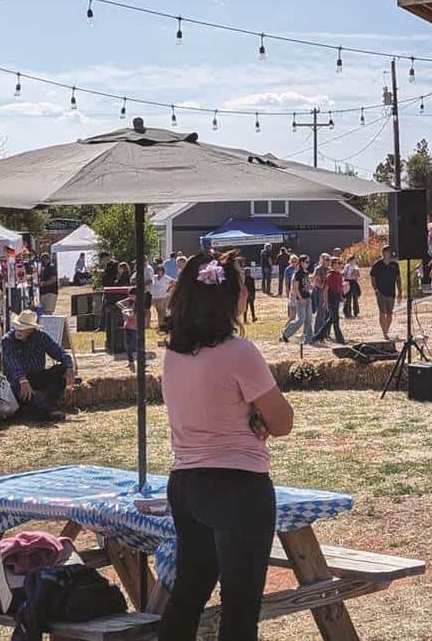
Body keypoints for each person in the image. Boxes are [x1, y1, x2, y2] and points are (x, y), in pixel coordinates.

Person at [158, 251, 294, 641]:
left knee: (186, 596)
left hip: (186, 481)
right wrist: (257, 416)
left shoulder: (173, 353)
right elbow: (282, 422)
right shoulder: (240, 353)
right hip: (238, 486)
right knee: (239, 608)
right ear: (231, 296)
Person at [0, 310, 74, 422]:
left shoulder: (40, 336)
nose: (19, 330)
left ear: (31, 329)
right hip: (17, 379)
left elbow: (59, 352)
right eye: (17, 327)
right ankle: (48, 412)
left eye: (22, 328)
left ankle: (50, 405)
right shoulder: (8, 340)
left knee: (62, 368)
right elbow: (12, 363)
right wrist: (23, 380)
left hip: (37, 375)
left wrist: (69, 367)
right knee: (19, 386)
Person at [370, 247, 403, 339]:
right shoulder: (377, 264)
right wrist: (376, 289)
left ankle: (386, 329)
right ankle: (384, 332)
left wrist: (400, 292)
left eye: (388, 252)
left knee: (389, 312)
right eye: (385, 252)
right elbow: (373, 278)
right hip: (381, 292)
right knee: (382, 311)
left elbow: (398, 279)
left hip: (391, 292)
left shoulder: (394, 265)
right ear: (383, 253)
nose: (387, 254)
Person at [280, 255, 313, 345]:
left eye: (308, 262)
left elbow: (307, 284)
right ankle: (285, 333)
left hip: (308, 297)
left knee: (309, 319)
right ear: (301, 263)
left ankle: (308, 338)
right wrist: (300, 299)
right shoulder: (297, 273)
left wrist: (310, 286)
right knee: (301, 319)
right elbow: (295, 288)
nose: (308, 264)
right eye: (306, 262)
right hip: (301, 299)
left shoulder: (306, 272)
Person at [313, 258, 346, 344]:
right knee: (335, 320)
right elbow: (325, 290)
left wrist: (341, 296)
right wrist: (326, 302)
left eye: (341, 263)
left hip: (337, 298)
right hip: (331, 299)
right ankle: (340, 340)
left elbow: (339, 288)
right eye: (338, 263)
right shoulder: (329, 276)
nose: (340, 265)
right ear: (333, 265)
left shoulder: (339, 275)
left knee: (331, 319)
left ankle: (319, 336)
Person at [117, 287, 144, 372]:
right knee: (128, 345)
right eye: (130, 295)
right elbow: (118, 303)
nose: (131, 297)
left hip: (136, 327)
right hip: (128, 326)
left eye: (132, 295)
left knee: (137, 345)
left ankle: (142, 362)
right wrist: (124, 309)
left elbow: (139, 315)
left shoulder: (139, 303)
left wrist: (131, 316)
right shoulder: (129, 300)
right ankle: (130, 362)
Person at [150, 262, 172, 329]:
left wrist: (168, 289)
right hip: (156, 296)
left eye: (160, 271)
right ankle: (161, 324)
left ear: (163, 271)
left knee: (162, 311)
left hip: (163, 296)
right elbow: (151, 283)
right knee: (158, 311)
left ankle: (164, 325)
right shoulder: (154, 277)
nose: (159, 272)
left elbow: (174, 283)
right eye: (158, 270)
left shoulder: (166, 278)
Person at [343, 254, 361, 318]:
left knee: (355, 298)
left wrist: (355, 275)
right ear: (350, 260)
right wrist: (350, 277)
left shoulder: (355, 266)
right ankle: (347, 313)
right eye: (353, 260)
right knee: (348, 298)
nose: (354, 261)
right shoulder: (347, 266)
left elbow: (358, 275)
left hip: (354, 282)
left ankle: (356, 312)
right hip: (348, 282)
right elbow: (344, 275)